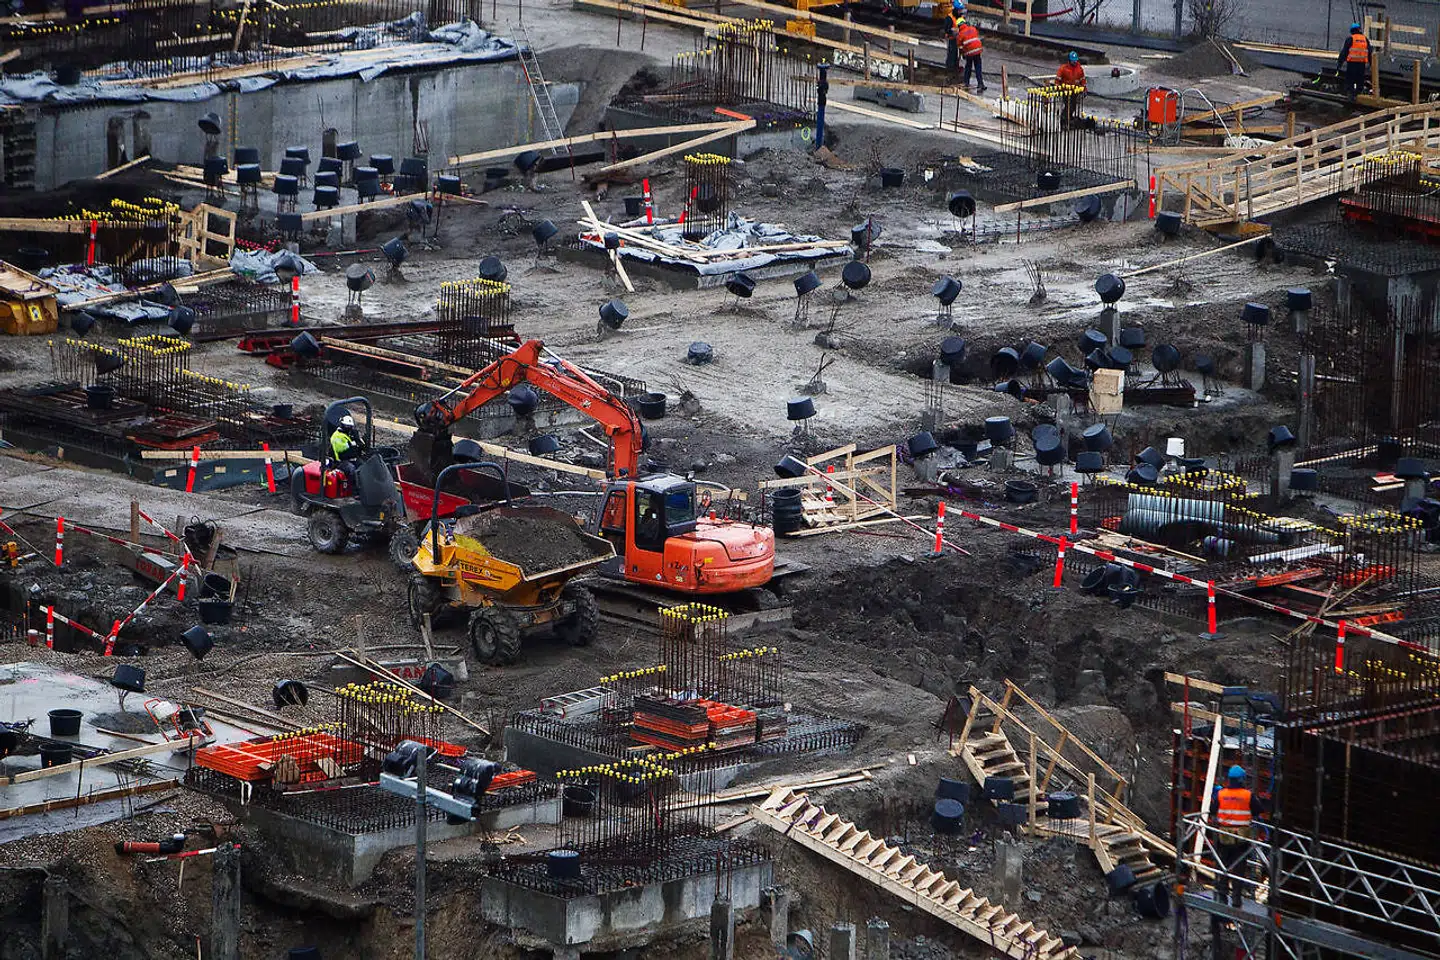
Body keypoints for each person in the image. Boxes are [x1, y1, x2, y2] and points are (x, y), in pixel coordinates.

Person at [1212, 765, 1260, 908]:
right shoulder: (1248, 795)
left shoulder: (1221, 794)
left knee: (1223, 866)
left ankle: (1222, 895)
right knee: (1239, 868)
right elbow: (1259, 810)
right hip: (1241, 839)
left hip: (1224, 837)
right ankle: (1236, 898)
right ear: (1241, 780)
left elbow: (1212, 811)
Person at [329, 413, 367, 488]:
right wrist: (356, 445)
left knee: (364, 466)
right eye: (347, 426)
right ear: (342, 425)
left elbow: (361, 445)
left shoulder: (349, 434)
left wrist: (357, 440)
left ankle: (364, 486)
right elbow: (346, 453)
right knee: (351, 469)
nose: (349, 428)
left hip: (352, 458)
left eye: (350, 427)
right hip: (340, 461)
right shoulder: (337, 436)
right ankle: (353, 489)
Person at [1337, 23, 1369, 100]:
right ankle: (1359, 93)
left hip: (1352, 63)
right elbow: (1370, 51)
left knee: (1350, 79)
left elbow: (1344, 52)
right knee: (1360, 79)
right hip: (1362, 63)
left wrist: (1339, 63)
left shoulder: (1350, 39)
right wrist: (1371, 64)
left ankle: (1350, 94)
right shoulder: (1365, 39)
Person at [957, 18, 985, 93]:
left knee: (968, 67)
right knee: (978, 67)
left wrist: (962, 55)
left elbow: (960, 47)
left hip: (969, 52)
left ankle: (966, 82)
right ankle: (980, 84)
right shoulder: (973, 28)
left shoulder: (960, 34)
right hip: (978, 50)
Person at [945, 0, 965, 72]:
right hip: (952, 39)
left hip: (959, 39)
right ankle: (950, 68)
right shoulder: (949, 18)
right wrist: (952, 31)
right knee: (952, 54)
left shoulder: (960, 17)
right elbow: (947, 30)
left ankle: (955, 67)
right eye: (960, 10)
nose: (961, 11)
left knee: (957, 54)